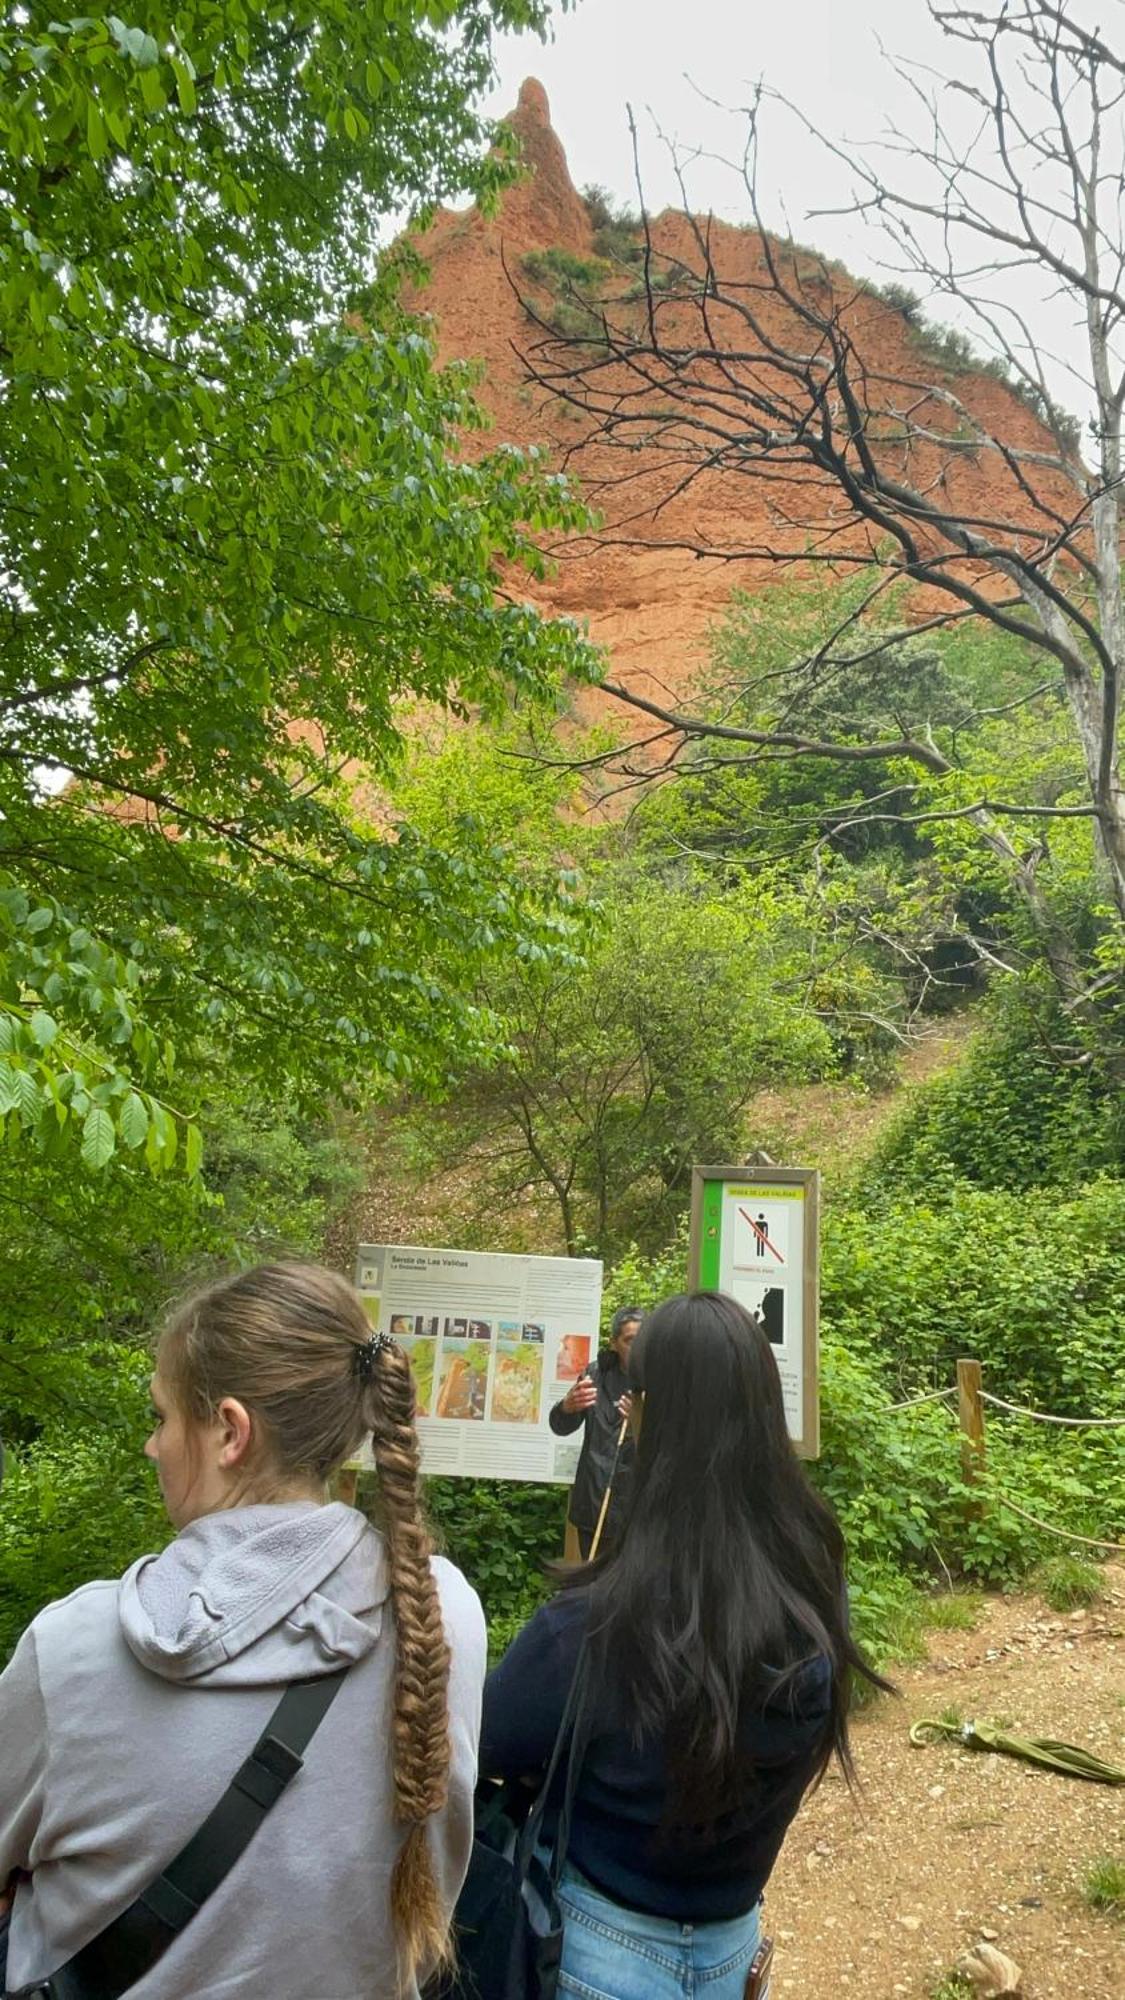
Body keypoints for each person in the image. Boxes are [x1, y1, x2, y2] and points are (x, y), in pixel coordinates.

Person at [0, 1263, 486, 2000]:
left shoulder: (73, 1650)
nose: (152, 1446)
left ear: (229, 1431)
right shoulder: (442, 1614)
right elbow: (421, 1910)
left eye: (161, 1417)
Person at [482, 1291, 886, 2000]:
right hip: (732, 1948)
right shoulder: (815, 1587)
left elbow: (483, 1744)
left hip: (589, 1950)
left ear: (653, 1415)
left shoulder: (588, 1623)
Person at [549, 1305, 642, 1559]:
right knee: (592, 1587)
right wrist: (567, 1407)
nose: (638, 1347)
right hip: (594, 1503)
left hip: (639, 1514)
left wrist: (642, 1419)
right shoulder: (595, 1374)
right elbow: (560, 1426)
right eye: (630, 1341)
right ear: (614, 1343)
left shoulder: (662, 1380)